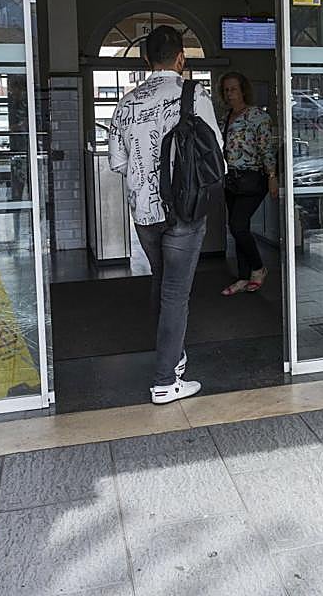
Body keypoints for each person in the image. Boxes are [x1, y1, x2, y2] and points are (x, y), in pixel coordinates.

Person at [109, 26, 222, 405]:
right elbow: (216, 150)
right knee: (176, 292)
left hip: (145, 212)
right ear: (180, 58)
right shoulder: (195, 95)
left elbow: (118, 162)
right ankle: (164, 381)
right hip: (185, 210)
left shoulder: (126, 103)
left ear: (145, 60)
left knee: (163, 282)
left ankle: (173, 355)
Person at [218, 71, 278, 296]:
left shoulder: (258, 117)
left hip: (253, 179)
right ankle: (243, 278)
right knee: (236, 228)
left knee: (238, 225)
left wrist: (272, 177)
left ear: (243, 89)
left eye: (233, 88)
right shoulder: (226, 118)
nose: (230, 93)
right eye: (226, 89)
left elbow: (266, 149)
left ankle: (258, 268)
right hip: (231, 180)